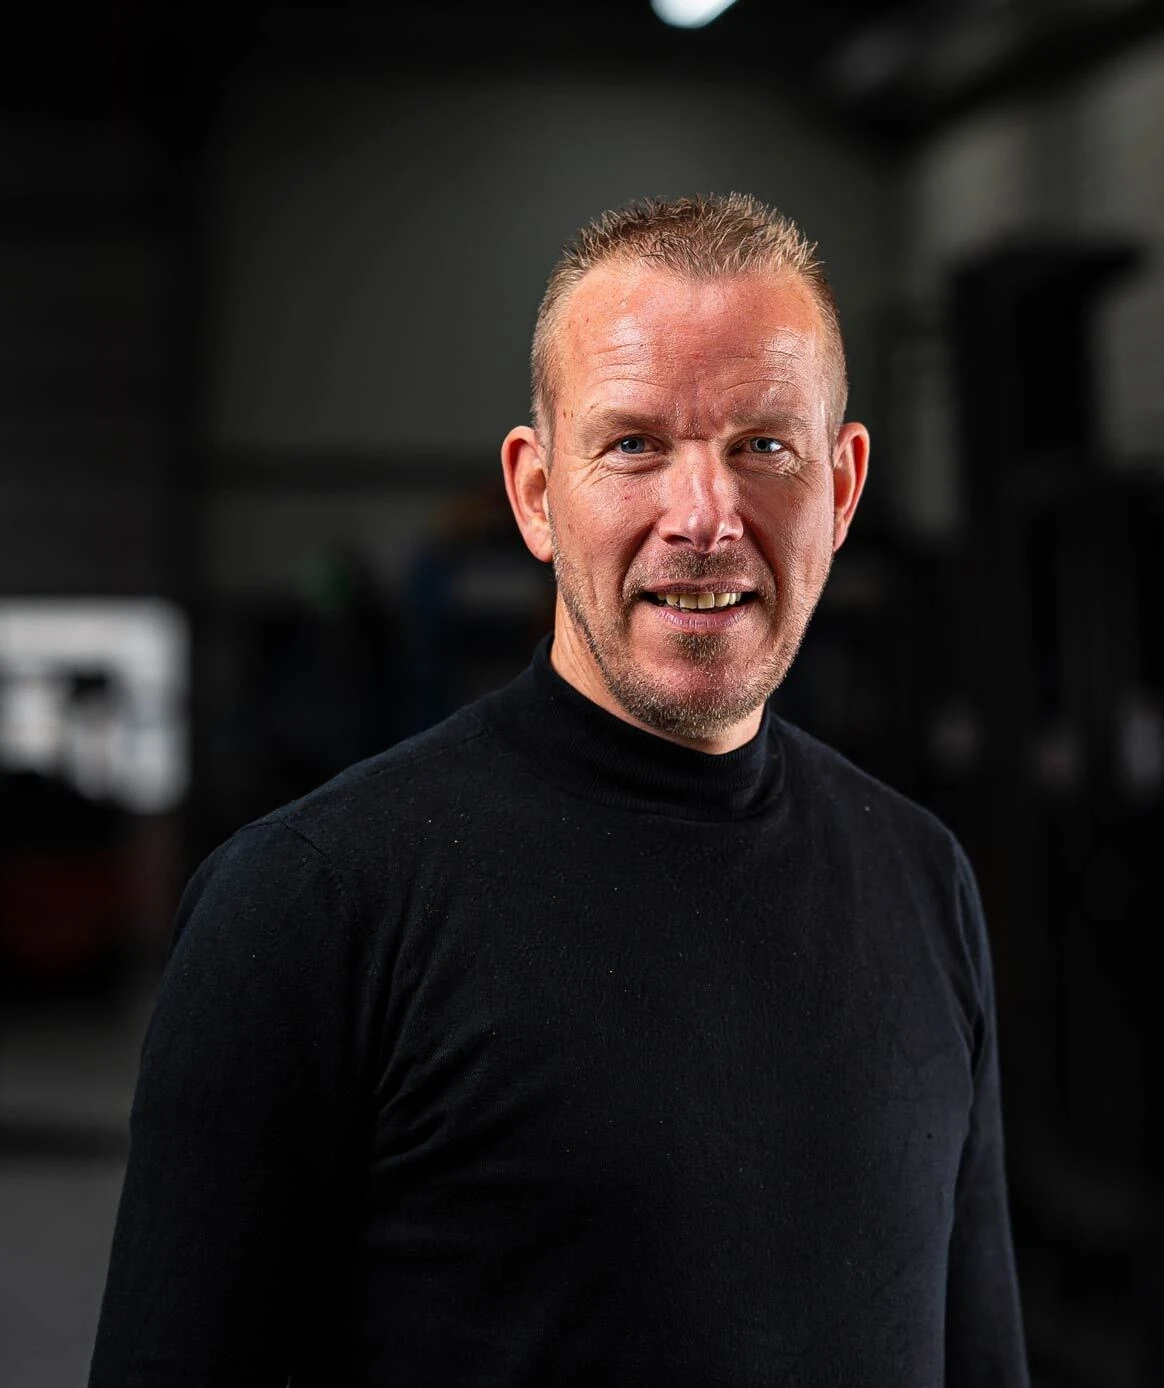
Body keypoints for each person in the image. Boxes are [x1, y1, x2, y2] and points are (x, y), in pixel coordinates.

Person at [89, 193, 1029, 1387]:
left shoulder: (921, 882)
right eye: (633, 444)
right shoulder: (309, 908)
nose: (704, 516)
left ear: (840, 489)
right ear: (535, 493)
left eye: (762, 446)